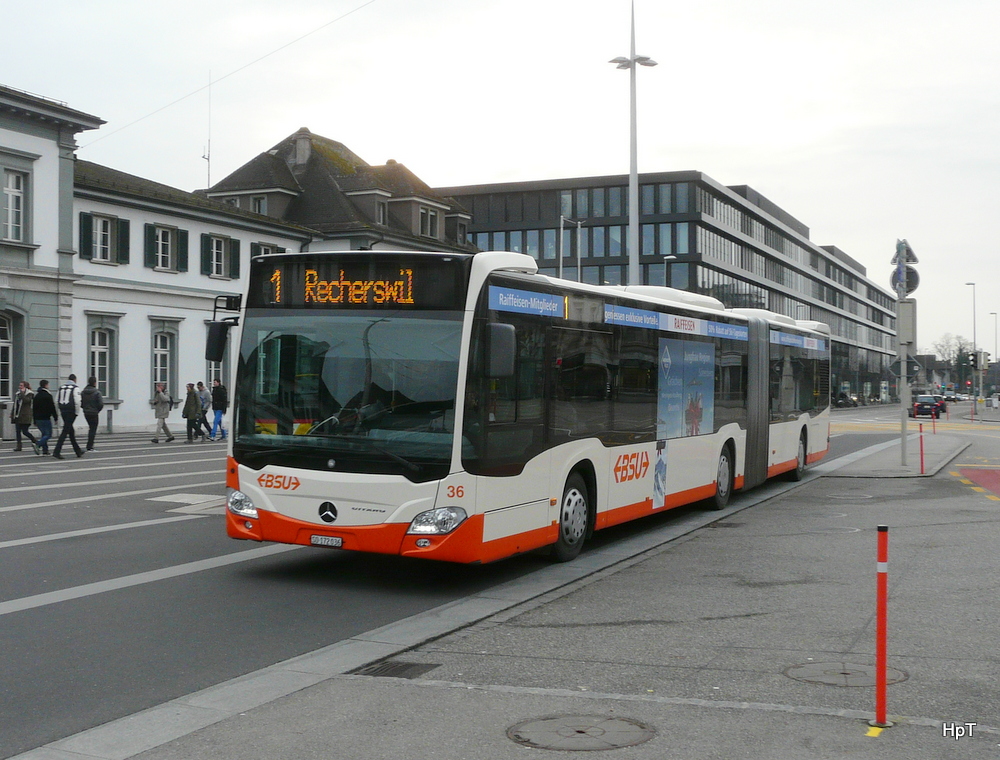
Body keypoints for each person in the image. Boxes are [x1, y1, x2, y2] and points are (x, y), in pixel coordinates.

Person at [53, 374, 84, 459]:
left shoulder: (61, 387)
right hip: (71, 410)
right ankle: (57, 451)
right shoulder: (75, 388)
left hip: (63, 410)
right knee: (66, 430)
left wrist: (59, 411)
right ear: (75, 380)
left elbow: (56, 401)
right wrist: (76, 412)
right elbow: (78, 401)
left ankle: (78, 451)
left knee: (70, 430)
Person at [11, 381, 40, 454]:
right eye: (19, 385)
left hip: (26, 415)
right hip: (18, 415)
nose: (20, 387)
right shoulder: (18, 394)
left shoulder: (30, 393)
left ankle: (34, 440)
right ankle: (19, 446)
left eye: (21, 385)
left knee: (25, 431)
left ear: (25, 386)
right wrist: (12, 413)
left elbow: (26, 401)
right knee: (17, 431)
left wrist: (22, 393)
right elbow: (15, 404)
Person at [33, 379, 58, 455]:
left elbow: (34, 408)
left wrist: (34, 420)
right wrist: (55, 417)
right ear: (46, 385)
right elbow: (52, 407)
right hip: (45, 418)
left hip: (38, 418)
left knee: (44, 434)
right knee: (48, 434)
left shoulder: (37, 396)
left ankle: (45, 450)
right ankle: (38, 444)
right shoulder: (48, 395)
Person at [81, 376, 104, 452]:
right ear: (95, 383)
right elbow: (100, 404)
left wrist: (84, 408)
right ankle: (90, 446)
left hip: (86, 412)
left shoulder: (83, 392)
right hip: (94, 412)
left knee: (91, 428)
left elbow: (81, 402)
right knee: (93, 429)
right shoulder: (97, 392)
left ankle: (89, 445)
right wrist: (97, 410)